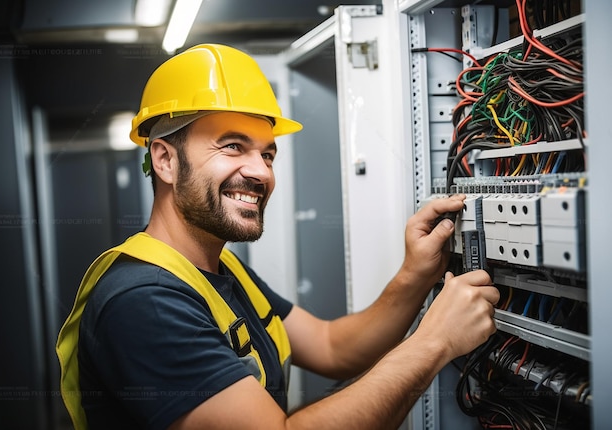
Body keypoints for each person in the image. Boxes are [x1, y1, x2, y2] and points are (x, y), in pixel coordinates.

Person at [56, 43, 499, 430]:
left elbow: (333, 348)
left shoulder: (218, 270)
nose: (260, 172)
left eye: (267, 153)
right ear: (165, 161)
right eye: (232, 146)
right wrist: (434, 342)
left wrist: (415, 275)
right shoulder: (143, 301)